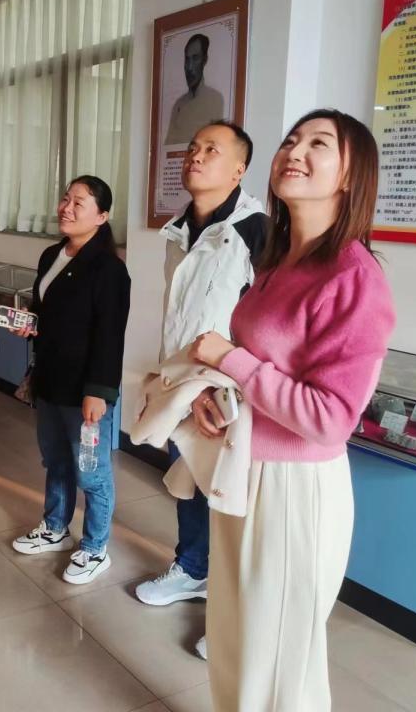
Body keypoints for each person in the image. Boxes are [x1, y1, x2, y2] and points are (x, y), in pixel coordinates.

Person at [188, 110, 395, 711]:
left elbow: (331, 418)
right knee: (235, 640)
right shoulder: (278, 263)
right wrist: (212, 394)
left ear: (351, 176)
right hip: (243, 469)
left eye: (319, 144)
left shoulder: (354, 278)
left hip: (293, 490)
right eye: (291, 140)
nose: (295, 152)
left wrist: (230, 361)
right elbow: (257, 367)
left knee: (276, 662)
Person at [135, 121, 266, 661]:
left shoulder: (255, 231)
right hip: (182, 384)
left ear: (238, 169)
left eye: (212, 149)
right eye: (193, 147)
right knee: (188, 483)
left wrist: (226, 385)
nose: (196, 155)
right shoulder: (179, 230)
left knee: (231, 499)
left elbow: (262, 323)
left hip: (228, 391)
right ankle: (192, 569)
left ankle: (236, 612)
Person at [10, 176, 131, 586]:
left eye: (79, 202)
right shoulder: (52, 255)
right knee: (56, 460)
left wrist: (99, 392)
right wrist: (31, 324)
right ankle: (55, 527)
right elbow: (47, 312)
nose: (66, 207)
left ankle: (95, 548)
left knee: (91, 472)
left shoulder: (109, 269)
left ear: (102, 216)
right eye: (65, 199)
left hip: (85, 390)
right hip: (50, 379)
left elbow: (110, 337)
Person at [165, 34, 226, 146]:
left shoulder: (215, 99)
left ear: (204, 60)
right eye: (187, 59)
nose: (189, 67)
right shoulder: (179, 104)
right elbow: (168, 145)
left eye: (195, 58)